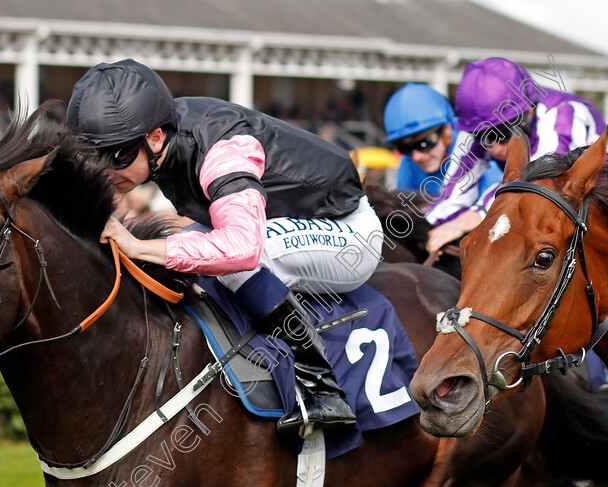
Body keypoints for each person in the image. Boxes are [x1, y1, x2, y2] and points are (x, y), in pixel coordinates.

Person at [66, 59, 384, 435]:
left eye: (117, 155)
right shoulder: (164, 141)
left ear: (153, 138)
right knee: (185, 246)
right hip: (292, 224)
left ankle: (322, 387)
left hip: (349, 232)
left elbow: (242, 247)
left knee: (234, 257)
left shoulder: (222, 152)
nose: (105, 171)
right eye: (94, 156)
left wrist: (137, 246)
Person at [428, 57, 608, 253]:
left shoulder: (564, 114)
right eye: (483, 137)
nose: (495, 149)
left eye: (505, 134)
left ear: (530, 113)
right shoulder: (482, 123)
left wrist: (470, 217)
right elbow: (451, 195)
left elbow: (534, 183)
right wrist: (424, 229)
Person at [383, 83, 503, 254]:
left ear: (447, 131)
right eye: (405, 148)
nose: (417, 156)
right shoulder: (408, 163)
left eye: (424, 143)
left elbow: (498, 209)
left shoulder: (477, 150)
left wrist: (455, 226)